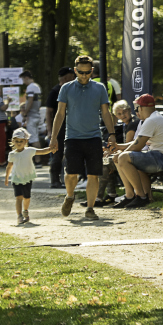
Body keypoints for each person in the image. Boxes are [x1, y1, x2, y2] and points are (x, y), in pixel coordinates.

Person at [48, 55, 116, 221]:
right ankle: (70, 196)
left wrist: (112, 134)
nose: (84, 76)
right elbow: (60, 113)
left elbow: (106, 113)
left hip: (93, 137)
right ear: (75, 70)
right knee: (71, 173)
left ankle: (90, 209)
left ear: (92, 71)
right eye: (80, 72)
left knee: (93, 174)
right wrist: (53, 137)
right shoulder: (66, 88)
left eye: (87, 72)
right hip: (73, 137)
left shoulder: (100, 88)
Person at [111, 94, 163, 208]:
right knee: (122, 157)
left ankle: (141, 197)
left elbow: (137, 147)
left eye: (137, 108)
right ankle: (130, 195)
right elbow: (137, 142)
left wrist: (121, 154)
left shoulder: (151, 120)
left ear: (141, 108)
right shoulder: (155, 118)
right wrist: (118, 147)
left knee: (123, 158)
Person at [5, 128, 52, 225]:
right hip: (16, 178)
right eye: (16, 141)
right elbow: (9, 166)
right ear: (13, 141)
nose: (19, 143)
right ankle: (19, 216)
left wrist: (51, 149)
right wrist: (6, 178)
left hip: (27, 178)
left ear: (25, 141)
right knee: (19, 197)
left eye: (21, 141)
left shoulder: (29, 151)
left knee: (27, 197)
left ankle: (25, 211)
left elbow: (42, 151)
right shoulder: (12, 154)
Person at [94, 99, 137, 206]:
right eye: (119, 114)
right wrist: (111, 151)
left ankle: (100, 198)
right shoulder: (127, 124)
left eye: (124, 112)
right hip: (130, 154)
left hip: (133, 156)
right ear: (116, 116)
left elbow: (129, 146)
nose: (122, 115)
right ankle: (109, 195)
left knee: (104, 163)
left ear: (130, 110)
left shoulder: (132, 124)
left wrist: (113, 152)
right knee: (106, 160)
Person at [43, 67, 73, 186]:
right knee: (57, 154)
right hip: (59, 128)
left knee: (71, 154)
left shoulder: (72, 90)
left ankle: (69, 179)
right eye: (71, 76)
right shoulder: (55, 91)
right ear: (65, 78)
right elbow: (48, 112)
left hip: (71, 126)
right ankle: (55, 180)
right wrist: (50, 131)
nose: (74, 78)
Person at [18, 70, 42, 146]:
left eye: (23, 79)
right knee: (36, 138)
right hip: (37, 115)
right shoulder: (36, 86)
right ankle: (38, 153)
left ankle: (38, 154)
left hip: (32, 116)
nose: (23, 82)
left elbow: (30, 100)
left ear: (26, 78)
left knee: (33, 139)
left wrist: (25, 114)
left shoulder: (30, 87)